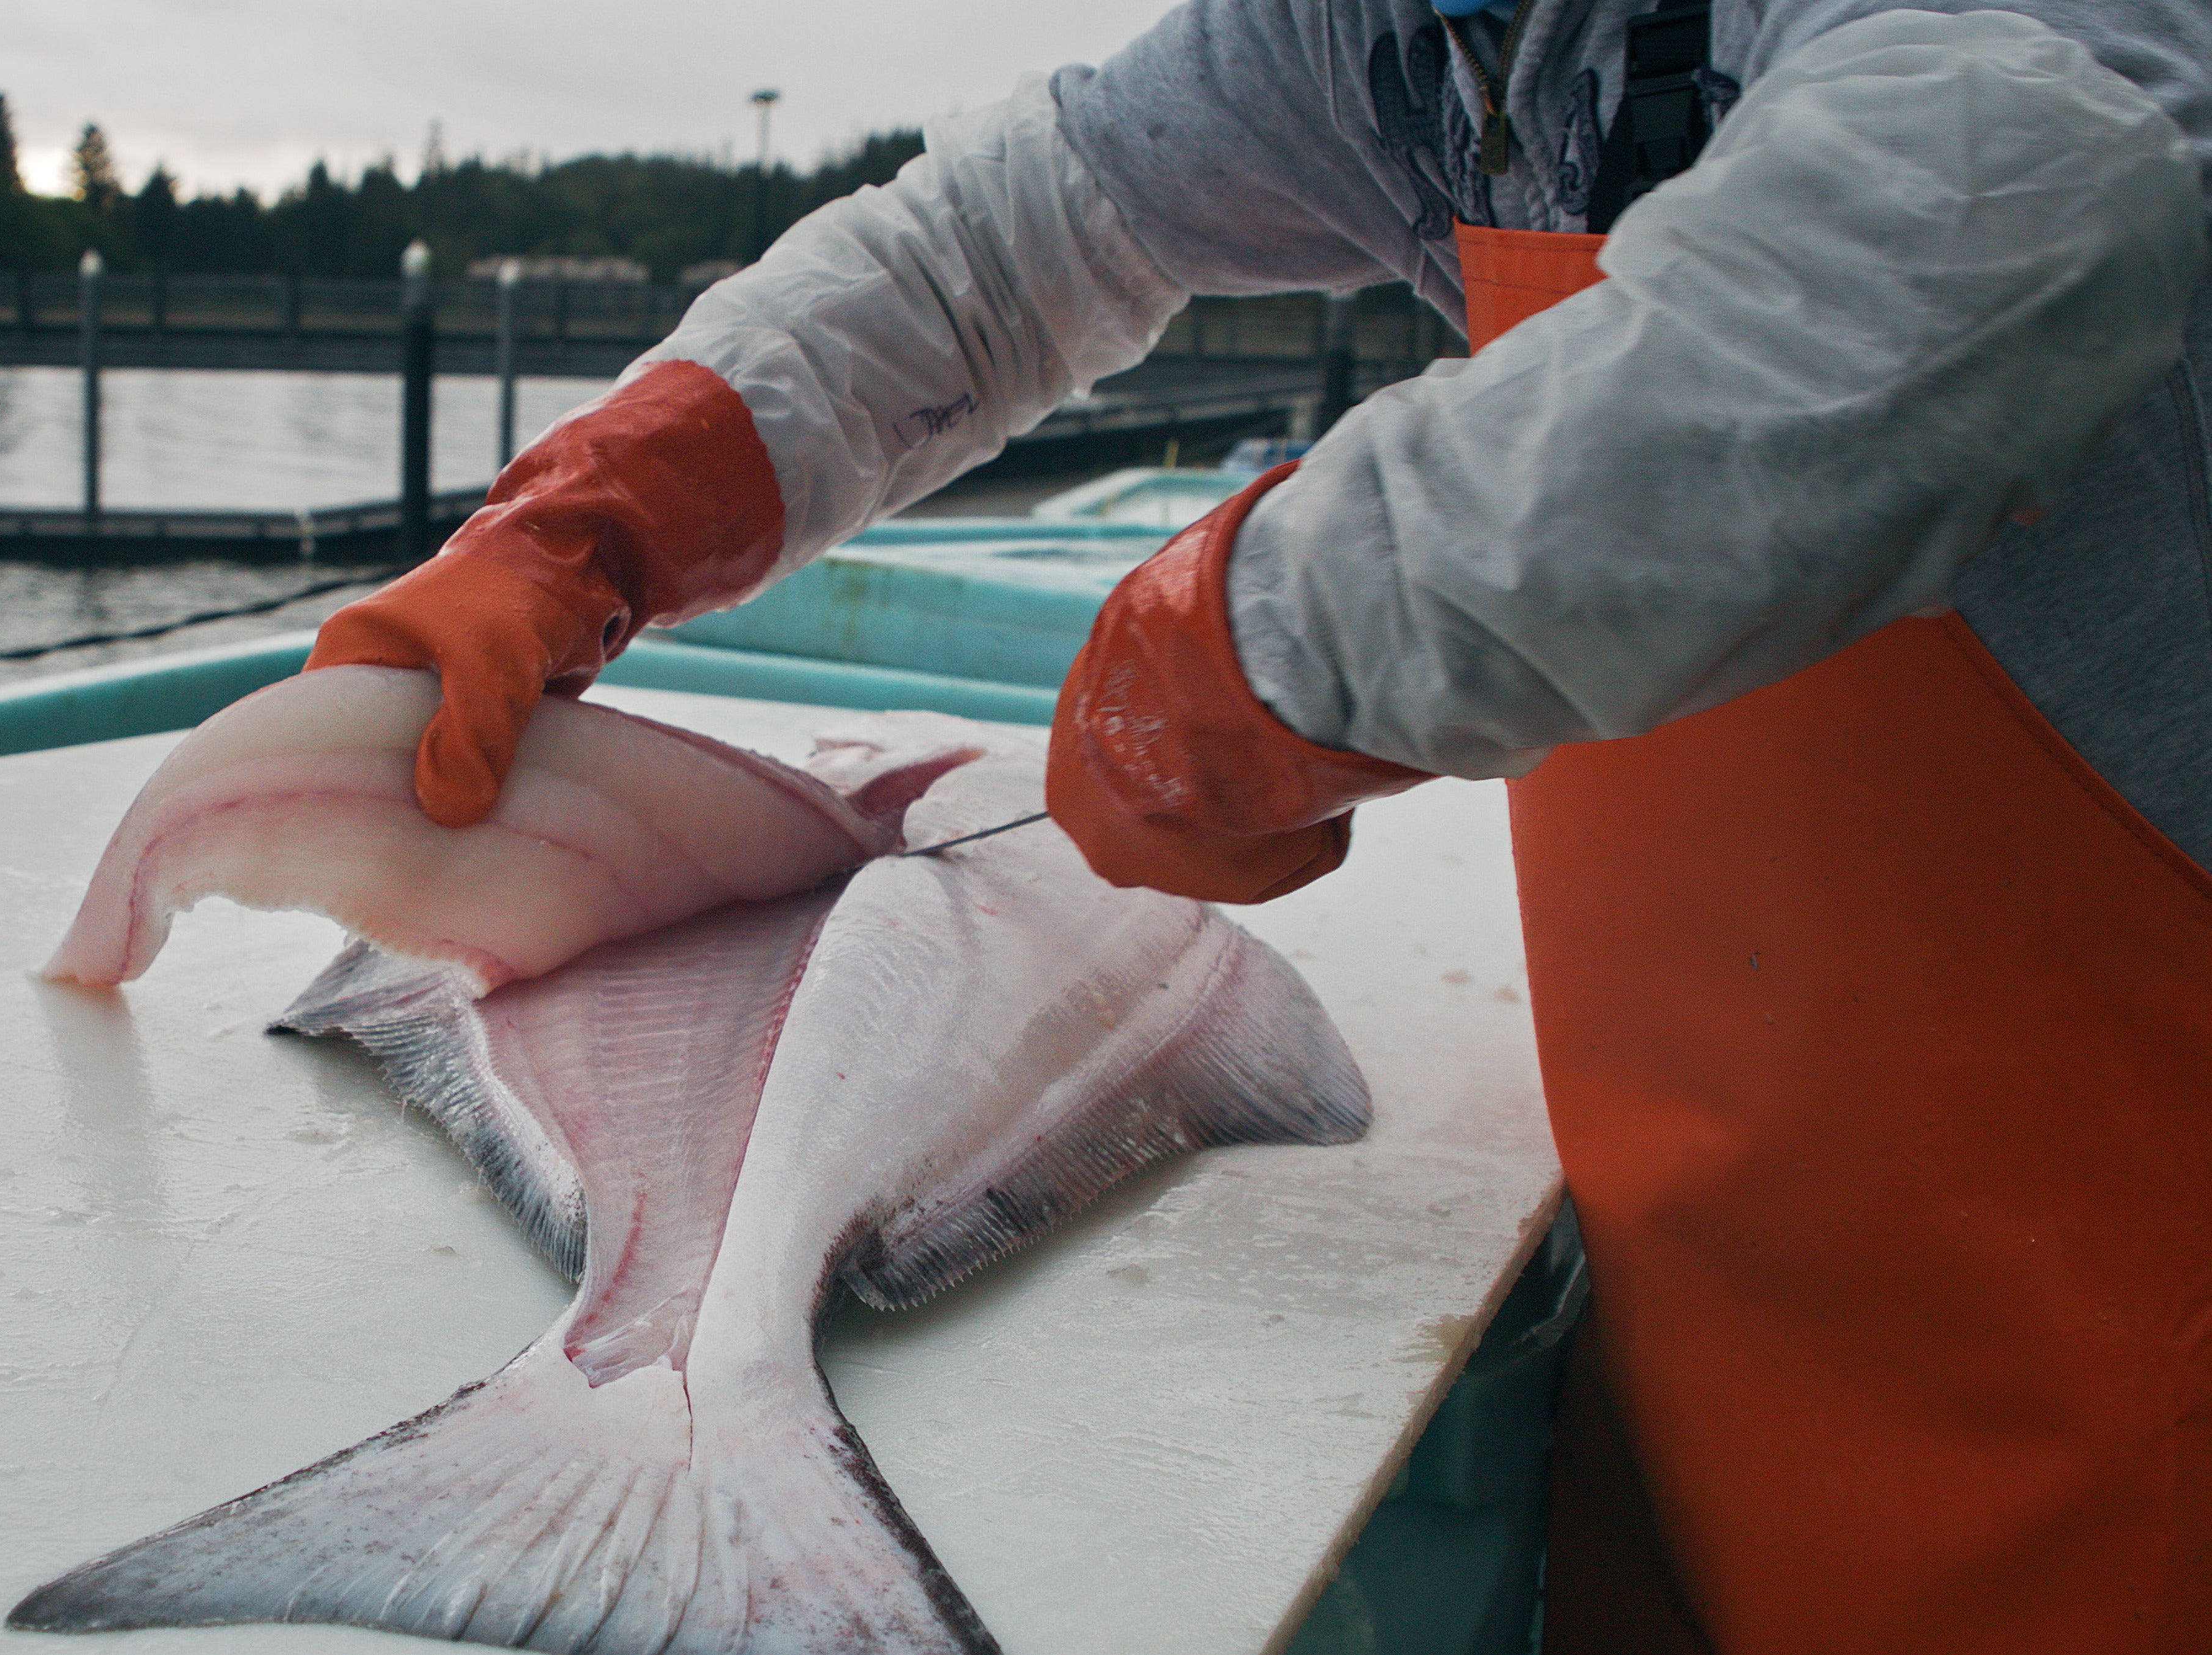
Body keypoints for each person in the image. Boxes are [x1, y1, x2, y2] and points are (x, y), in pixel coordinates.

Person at [304, 2, 2212, 1649]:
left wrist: (1267, 645)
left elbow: (1996, 226)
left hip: (2129, 1330)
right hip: (1713, 1301)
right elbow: (1004, 243)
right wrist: (593, 514)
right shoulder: (1411, 38)